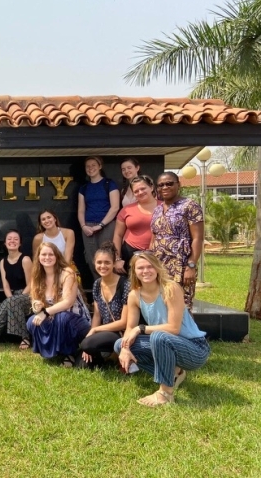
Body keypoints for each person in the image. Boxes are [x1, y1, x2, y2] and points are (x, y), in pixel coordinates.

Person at [115, 251, 210, 407]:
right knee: (120, 344)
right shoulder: (134, 295)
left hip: (194, 348)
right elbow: (129, 328)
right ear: (134, 271)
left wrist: (141, 328)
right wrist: (125, 349)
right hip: (165, 342)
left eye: (150, 266)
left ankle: (165, 393)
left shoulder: (170, 288)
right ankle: (174, 373)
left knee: (159, 337)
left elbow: (173, 328)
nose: (145, 271)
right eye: (140, 268)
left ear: (158, 268)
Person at [26, 242, 91, 366]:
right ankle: (54, 350)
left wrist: (45, 312)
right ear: (38, 257)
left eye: (51, 254)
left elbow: (68, 302)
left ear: (57, 256)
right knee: (31, 322)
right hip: (52, 318)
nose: (47, 257)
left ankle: (70, 353)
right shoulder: (37, 276)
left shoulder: (67, 273)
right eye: (43, 254)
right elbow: (34, 302)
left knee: (62, 317)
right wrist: (37, 307)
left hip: (76, 319)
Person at [150, 172, 204, 312]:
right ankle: (164, 333)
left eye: (169, 183)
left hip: (181, 264)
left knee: (182, 305)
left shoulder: (190, 206)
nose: (165, 187)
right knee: (161, 303)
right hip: (159, 265)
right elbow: (154, 236)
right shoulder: (157, 210)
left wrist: (191, 265)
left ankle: (188, 334)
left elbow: (198, 238)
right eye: (161, 185)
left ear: (178, 184)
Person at [79, 242, 130, 369]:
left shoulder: (125, 285)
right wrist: (90, 338)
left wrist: (95, 331)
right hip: (104, 331)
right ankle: (104, 358)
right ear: (94, 263)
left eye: (107, 262)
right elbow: (97, 315)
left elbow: (124, 322)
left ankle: (110, 355)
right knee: (82, 365)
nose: (103, 266)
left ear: (114, 264)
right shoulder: (97, 284)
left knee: (87, 344)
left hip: (121, 333)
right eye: (99, 262)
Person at [78, 156, 120, 279]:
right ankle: (99, 290)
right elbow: (81, 210)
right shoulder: (84, 188)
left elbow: (115, 207)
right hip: (88, 227)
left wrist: (100, 225)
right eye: (88, 166)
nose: (90, 168)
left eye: (93, 165)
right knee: (93, 260)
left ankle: (112, 292)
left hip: (107, 226)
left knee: (107, 258)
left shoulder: (109, 184)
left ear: (100, 166)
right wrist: (83, 226)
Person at [113, 175, 161, 274]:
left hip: (159, 254)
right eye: (136, 191)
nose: (140, 192)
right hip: (130, 253)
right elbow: (118, 235)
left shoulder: (165, 207)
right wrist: (117, 258)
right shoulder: (126, 210)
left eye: (143, 188)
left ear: (151, 187)